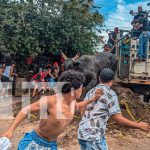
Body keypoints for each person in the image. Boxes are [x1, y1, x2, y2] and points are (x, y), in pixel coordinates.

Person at [1, 70, 103, 150]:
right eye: (81, 87)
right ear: (74, 90)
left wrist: (92, 99)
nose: (82, 89)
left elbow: (78, 106)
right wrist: (10, 130)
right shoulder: (50, 101)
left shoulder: (73, 102)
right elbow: (25, 109)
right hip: (35, 142)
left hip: (51, 145)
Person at [78, 68, 150, 150]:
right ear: (113, 80)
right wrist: (139, 125)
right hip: (93, 138)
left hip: (83, 134)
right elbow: (119, 119)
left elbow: (82, 108)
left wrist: (89, 122)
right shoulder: (110, 94)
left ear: (99, 78)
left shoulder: (91, 91)